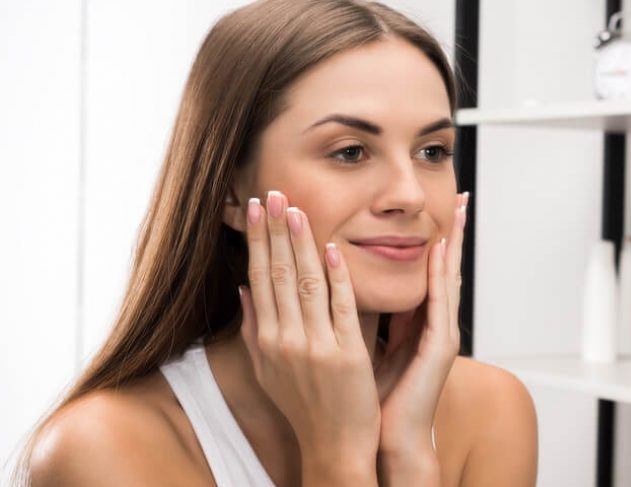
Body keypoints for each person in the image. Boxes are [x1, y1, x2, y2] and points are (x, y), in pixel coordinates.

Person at [15, 1, 538, 485]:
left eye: (432, 151)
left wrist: (407, 455)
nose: (410, 195)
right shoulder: (103, 447)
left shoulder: (491, 410)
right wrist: (339, 459)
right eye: (351, 151)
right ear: (229, 191)